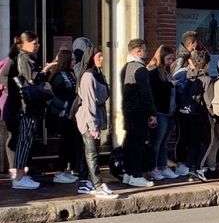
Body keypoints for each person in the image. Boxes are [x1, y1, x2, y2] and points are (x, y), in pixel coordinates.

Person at [7, 31, 56, 189]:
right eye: (34, 43)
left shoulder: (25, 58)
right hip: (26, 107)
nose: (37, 46)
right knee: (24, 141)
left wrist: (44, 71)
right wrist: (44, 78)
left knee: (26, 141)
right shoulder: (24, 58)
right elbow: (31, 81)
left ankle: (22, 175)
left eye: (38, 43)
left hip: (28, 107)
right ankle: (19, 178)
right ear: (24, 43)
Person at [74, 46, 118, 198]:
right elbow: (89, 102)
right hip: (88, 118)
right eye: (99, 56)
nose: (102, 59)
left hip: (95, 117)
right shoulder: (88, 76)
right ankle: (98, 184)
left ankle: (84, 181)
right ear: (91, 57)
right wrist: (93, 126)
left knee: (89, 151)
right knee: (92, 152)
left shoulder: (98, 74)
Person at [121, 38, 156, 187]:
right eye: (144, 50)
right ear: (138, 51)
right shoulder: (141, 70)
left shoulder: (126, 68)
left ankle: (128, 174)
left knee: (129, 142)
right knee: (138, 144)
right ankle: (136, 174)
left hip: (128, 110)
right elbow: (146, 93)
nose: (146, 52)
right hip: (139, 111)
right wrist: (152, 113)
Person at [174, 50, 213, 182]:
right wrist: (214, 115)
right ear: (206, 64)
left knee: (193, 142)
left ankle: (191, 169)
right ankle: (198, 168)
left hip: (188, 113)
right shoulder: (206, 79)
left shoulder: (188, 75)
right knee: (207, 141)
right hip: (201, 114)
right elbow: (208, 101)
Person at [147, 45, 179, 181]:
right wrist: (171, 85)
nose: (171, 61)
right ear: (161, 57)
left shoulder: (166, 72)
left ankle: (162, 166)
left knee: (164, 141)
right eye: (168, 58)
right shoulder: (154, 72)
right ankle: (153, 168)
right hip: (160, 111)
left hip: (169, 111)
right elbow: (155, 90)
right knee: (157, 141)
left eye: (172, 58)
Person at [48, 50, 80, 184]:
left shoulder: (70, 73)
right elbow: (54, 96)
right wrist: (66, 105)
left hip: (71, 114)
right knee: (63, 144)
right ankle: (59, 172)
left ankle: (66, 170)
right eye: (71, 60)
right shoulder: (58, 76)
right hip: (63, 114)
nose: (74, 62)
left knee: (70, 144)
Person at [0, 39, 21, 181]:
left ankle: (15, 168)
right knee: (11, 138)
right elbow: (4, 78)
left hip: (9, 106)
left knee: (12, 137)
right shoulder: (11, 63)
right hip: (7, 107)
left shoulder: (12, 62)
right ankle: (12, 169)